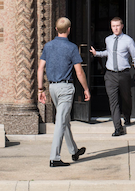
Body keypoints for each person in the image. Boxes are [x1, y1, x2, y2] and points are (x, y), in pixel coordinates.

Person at [38, 17, 90, 167]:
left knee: (64, 119)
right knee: (61, 122)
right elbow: (79, 72)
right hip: (66, 88)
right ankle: (54, 158)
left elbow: (41, 68)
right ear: (69, 30)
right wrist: (86, 89)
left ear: (56, 29)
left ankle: (74, 151)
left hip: (52, 87)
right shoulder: (72, 47)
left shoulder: (48, 46)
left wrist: (40, 89)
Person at [89, 16, 135, 136]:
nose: (115, 28)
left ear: (122, 26)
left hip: (124, 74)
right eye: (113, 26)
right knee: (113, 102)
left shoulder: (128, 40)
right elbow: (109, 52)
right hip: (110, 74)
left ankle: (127, 116)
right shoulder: (108, 39)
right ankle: (118, 127)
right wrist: (97, 53)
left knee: (126, 98)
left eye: (117, 26)